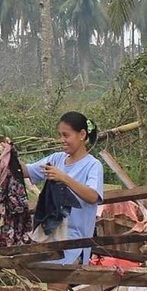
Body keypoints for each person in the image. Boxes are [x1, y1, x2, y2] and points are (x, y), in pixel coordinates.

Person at [20, 111, 104, 265]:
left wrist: (63, 178)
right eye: (60, 135)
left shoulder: (93, 165)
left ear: (82, 134)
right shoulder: (56, 159)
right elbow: (27, 171)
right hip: (52, 237)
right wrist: (7, 154)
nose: (62, 140)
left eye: (66, 135)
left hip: (75, 242)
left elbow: (93, 196)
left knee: (57, 285)